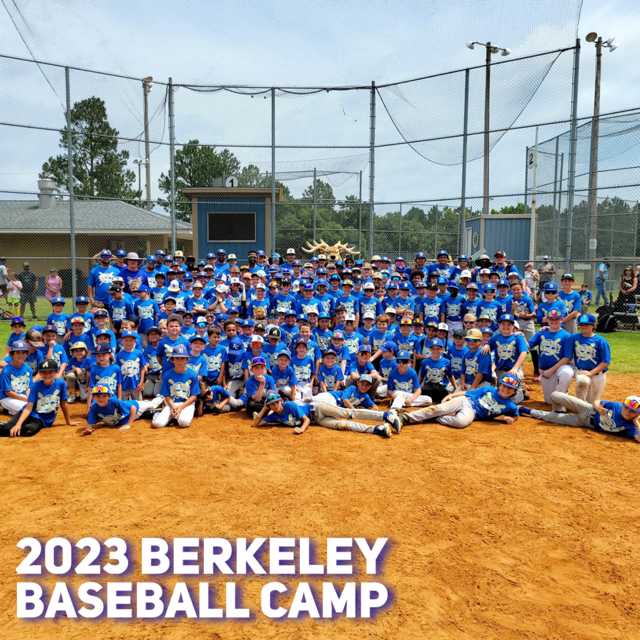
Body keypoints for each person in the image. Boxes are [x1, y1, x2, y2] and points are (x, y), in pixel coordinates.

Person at [385, 374, 520, 431]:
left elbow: (516, 413)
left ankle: (436, 418)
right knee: (438, 408)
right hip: (465, 401)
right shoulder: (489, 389)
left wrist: (512, 419)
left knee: (461, 423)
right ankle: (405, 418)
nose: (506, 389)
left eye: (510, 388)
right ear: (499, 385)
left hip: (472, 414)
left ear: (514, 392)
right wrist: (451, 395)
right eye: (504, 386)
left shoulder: (510, 405)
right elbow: (468, 393)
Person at [0, 359, 80, 437]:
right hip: (27, 413)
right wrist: (18, 424)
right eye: (44, 372)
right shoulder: (35, 386)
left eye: (50, 372)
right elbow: (28, 407)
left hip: (41, 419)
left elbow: (64, 404)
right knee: (7, 428)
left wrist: (68, 421)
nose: (47, 375)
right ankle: (5, 426)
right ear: (40, 373)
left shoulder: (61, 384)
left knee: (29, 430)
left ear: (57, 372)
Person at [252, 393, 393, 437]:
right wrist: (264, 409)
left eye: (277, 402)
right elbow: (255, 424)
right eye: (272, 405)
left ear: (281, 401)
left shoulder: (289, 405)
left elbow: (305, 420)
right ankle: (376, 429)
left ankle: (385, 415)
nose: (276, 406)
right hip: (318, 420)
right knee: (342, 425)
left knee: (348, 413)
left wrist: (301, 429)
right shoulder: (274, 416)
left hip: (318, 408)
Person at [519, 394, 640, 443]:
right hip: (587, 408)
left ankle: (525, 410)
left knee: (550, 418)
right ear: (622, 405)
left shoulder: (632, 427)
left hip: (584, 423)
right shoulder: (616, 406)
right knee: (555, 395)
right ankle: (558, 411)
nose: (628, 412)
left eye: (633, 411)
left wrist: (636, 422)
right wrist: (597, 407)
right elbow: (597, 401)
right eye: (626, 408)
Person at [81, 385, 164, 435]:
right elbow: (89, 424)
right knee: (148, 413)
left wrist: (129, 425)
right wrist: (88, 430)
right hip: (129, 415)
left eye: (104, 396)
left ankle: (161, 396)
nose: (101, 399)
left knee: (152, 405)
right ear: (93, 397)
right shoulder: (94, 407)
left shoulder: (114, 401)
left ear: (109, 396)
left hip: (137, 407)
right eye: (98, 396)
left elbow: (133, 408)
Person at [152, 344, 200, 429]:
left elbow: (194, 396)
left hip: (187, 404)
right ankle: (158, 414)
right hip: (172, 403)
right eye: (177, 358)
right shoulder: (167, 375)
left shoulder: (192, 374)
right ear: (172, 360)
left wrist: (181, 407)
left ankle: (177, 416)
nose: (180, 361)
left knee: (183, 423)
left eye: (182, 358)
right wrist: (173, 407)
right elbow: (166, 395)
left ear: (187, 360)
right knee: (157, 424)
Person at [570, 314, 611, 402]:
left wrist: (591, 373)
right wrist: (548, 328)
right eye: (581, 324)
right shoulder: (574, 337)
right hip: (581, 371)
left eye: (587, 324)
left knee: (592, 405)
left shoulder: (601, 341)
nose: (583, 326)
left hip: (598, 374)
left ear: (593, 325)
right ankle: (580, 404)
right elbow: (561, 335)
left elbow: (606, 361)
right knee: (582, 382)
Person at [616, 265, 637, 330]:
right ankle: (622, 321)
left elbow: (634, 287)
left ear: (631, 271)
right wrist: (623, 291)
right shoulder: (622, 277)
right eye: (626, 270)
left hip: (630, 294)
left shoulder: (634, 278)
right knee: (620, 307)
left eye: (629, 270)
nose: (628, 271)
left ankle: (633, 322)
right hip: (622, 294)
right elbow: (619, 286)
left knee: (631, 308)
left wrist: (628, 291)